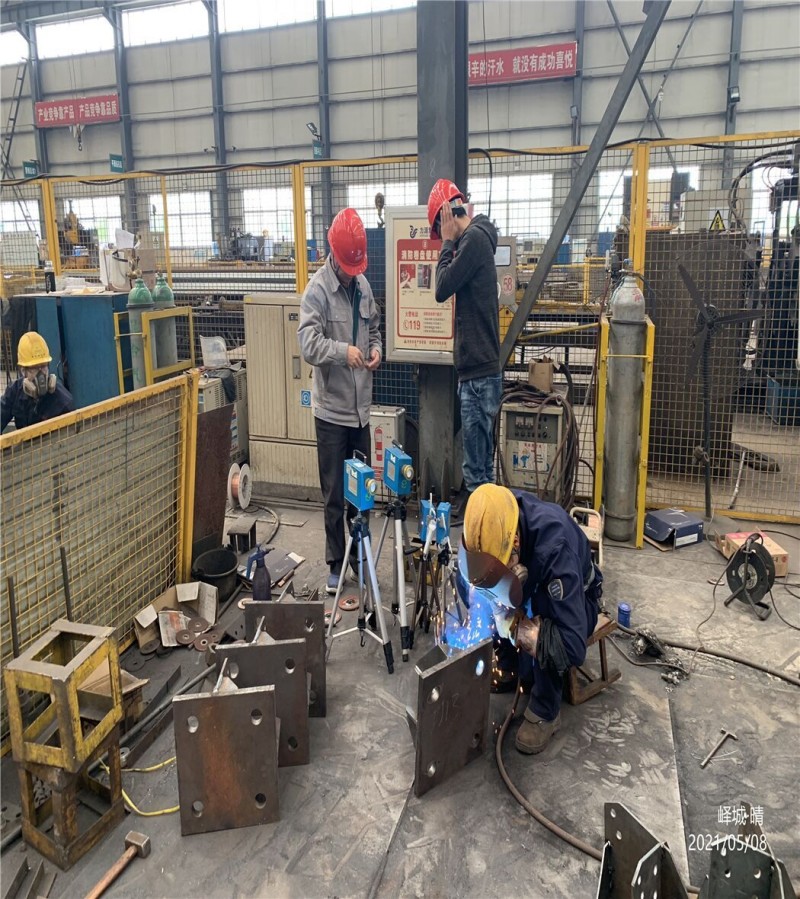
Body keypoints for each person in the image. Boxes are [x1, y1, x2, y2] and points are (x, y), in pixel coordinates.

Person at [460, 484, 603, 755]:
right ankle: (508, 666)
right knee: (479, 588)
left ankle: (546, 709)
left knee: (546, 612)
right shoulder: (493, 518)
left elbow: (572, 645)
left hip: (576, 603)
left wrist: (517, 627)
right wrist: (490, 598)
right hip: (528, 580)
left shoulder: (555, 549)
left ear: (515, 542)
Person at [298, 208, 382, 595]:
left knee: (361, 492)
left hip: (360, 411)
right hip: (332, 412)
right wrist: (341, 352)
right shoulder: (317, 291)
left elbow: (374, 327)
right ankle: (336, 562)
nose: (351, 274)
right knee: (334, 493)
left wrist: (376, 349)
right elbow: (308, 344)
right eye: (348, 267)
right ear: (334, 253)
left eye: (356, 268)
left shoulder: (363, 286)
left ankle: (360, 557)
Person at [429, 179, 502, 498]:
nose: (442, 233)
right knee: (483, 470)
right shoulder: (478, 240)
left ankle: (480, 528)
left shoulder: (473, 240)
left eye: (440, 226)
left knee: (475, 475)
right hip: (480, 373)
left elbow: (442, 287)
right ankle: (489, 525)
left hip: (478, 377)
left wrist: (446, 242)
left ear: (446, 214)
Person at [1, 332, 74, 433]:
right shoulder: (14, 392)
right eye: (34, 368)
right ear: (23, 371)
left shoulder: (63, 403)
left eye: (44, 366)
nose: (41, 374)